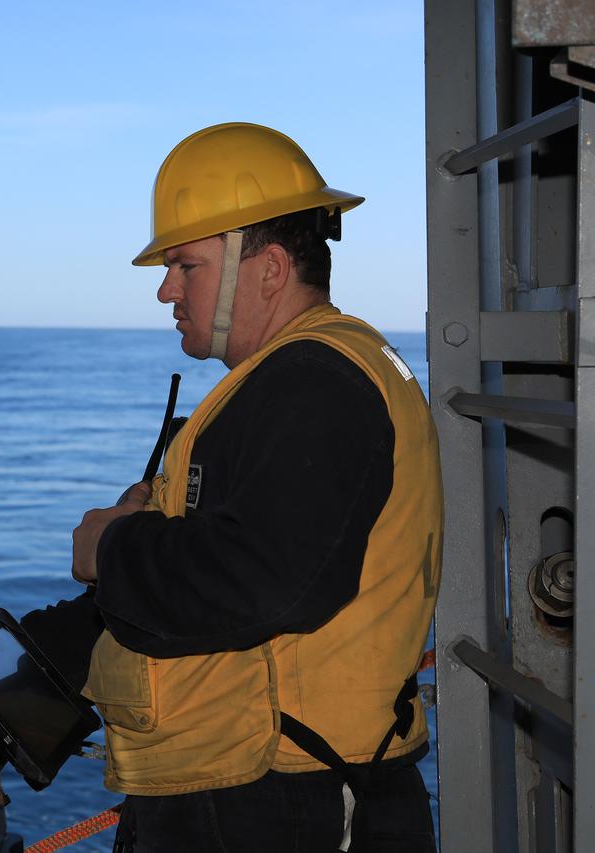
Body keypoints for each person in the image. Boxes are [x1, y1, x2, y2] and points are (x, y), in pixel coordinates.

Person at [23, 123, 442, 852]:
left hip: (287, 803)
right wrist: (28, 653)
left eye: (184, 265)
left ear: (269, 268)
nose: (164, 289)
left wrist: (111, 543)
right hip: (251, 789)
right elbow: (208, 573)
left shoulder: (315, 383)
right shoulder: (286, 382)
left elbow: (260, 579)